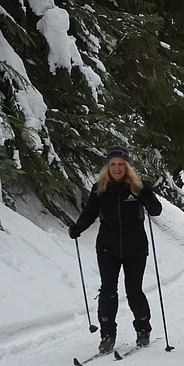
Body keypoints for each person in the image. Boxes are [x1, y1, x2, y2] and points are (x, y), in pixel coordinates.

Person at [69, 145, 163, 353]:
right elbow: (89, 213)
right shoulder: (100, 189)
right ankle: (107, 335)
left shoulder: (137, 187)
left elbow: (156, 210)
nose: (117, 168)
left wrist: (147, 197)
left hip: (136, 248)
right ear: (107, 166)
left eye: (121, 164)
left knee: (133, 291)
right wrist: (78, 228)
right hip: (107, 247)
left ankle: (143, 329)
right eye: (113, 164)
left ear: (127, 166)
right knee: (108, 291)